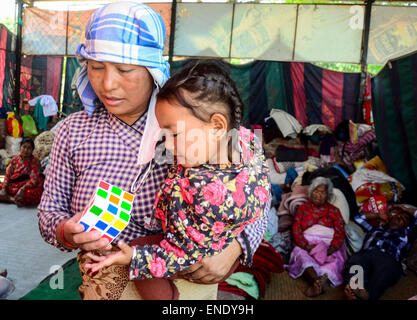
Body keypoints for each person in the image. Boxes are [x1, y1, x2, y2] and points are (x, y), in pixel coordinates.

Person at [37, 2, 268, 300]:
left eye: (124, 69)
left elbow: (255, 192)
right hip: (104, 276)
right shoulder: (72, 132)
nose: (107, 83)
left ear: (152, 69)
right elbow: (49, 210)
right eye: (95, 67)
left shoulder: (188, 121)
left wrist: (236, 247)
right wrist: (66, 231)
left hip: (186, 279)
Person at [85, 61, 271, 288]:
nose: (168, 146)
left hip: (194, 255)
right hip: (206, 241)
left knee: (142, 267)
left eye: (174, 134)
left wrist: (134, 258)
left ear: (216, 126)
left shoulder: (205, 195)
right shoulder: (244, 142)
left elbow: (183, 254)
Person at [286, 177, 347, 297]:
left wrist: (331, 249)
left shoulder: (334, 211)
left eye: (323, 192)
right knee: (301, 256)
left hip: (328, 244)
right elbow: (296, 229)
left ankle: (322, 282)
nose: (318, 195)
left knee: (335, 261)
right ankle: (317, 282)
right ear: (311, 192)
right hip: (307, 244)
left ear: (328, 195)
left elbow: (340, 232)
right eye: (316, 191)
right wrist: (306, 246)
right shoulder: (303, 209)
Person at [343, 205, 417, 300]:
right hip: (367, 253)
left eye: (404, 219)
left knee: (384, 272)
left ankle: (366, 294)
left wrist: (405, 209)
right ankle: (355, 289)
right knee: (356, 260)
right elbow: (358, 217)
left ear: (407, 225)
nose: (399, 217)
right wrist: (379, 215)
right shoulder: (375, 228)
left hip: (389, 258)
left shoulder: (407, 233)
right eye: (398, 215)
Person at [0, 137, 44, 207]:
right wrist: (4, 188)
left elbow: (34, 180)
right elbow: (8, 174)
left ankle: (7, 197)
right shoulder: (15, 159)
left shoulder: (35, 161)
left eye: (29, 148)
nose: (26, 150)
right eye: (24, 147)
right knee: (2, 188)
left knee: (31, 194)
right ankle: (12, 199)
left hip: (27, 185)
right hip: (14, 184)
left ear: (32, 150)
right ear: (20, 147)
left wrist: (22, 189)